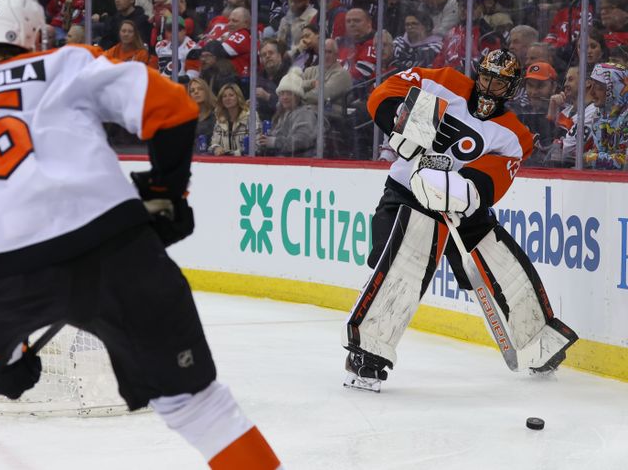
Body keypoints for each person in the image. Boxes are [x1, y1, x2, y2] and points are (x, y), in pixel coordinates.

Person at [0, 0, 281, 470]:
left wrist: (4, 358)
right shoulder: (66, 62)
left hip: (6, 265)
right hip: (115, 243)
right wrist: (164, 196)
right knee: (198, 404)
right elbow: (174, 108)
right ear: (36, 34)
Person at [342, 49, 578, 392]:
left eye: (499, 83)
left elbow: (496, 177)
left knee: (504, 265)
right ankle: (368, 353)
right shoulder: (442, 81)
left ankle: (539, 341)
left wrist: (465, 191)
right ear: (476, 72)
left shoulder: (514, 135)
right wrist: (404, 123)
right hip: (407, 193)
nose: (488, 87)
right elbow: (384, 93)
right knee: (400, 266)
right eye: (485, 77)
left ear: (511, 90)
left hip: (463, 209)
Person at [258, 67, 319, 157]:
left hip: (299, 164)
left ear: (298, 96)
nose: (285, 97)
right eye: (282, 93)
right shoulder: (281, 114)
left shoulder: (305, 113)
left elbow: (303, 140)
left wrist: (274, 142)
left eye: (289, 93)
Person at [585, 62, 628, 170]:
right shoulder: (599, 115)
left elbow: (624, 162)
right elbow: (597, 151)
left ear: (615, 89)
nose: (591, 92)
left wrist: (586, 159)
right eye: (591, 85)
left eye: (598, 87)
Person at [208, 83, 257, 156]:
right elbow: (213, 143)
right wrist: (216, 148)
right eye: (224, 96)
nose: (227, 98)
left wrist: (232, 153)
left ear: (238, 97)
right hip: (224, 164)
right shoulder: (220, 119)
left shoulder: (251, 116)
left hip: (246, 163)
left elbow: (257, 145)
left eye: (231, 95)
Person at [188, 77, 217, 153]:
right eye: (192, 90)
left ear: (206, 92)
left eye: (200, 89)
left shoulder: (217, 114)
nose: (196, 92)